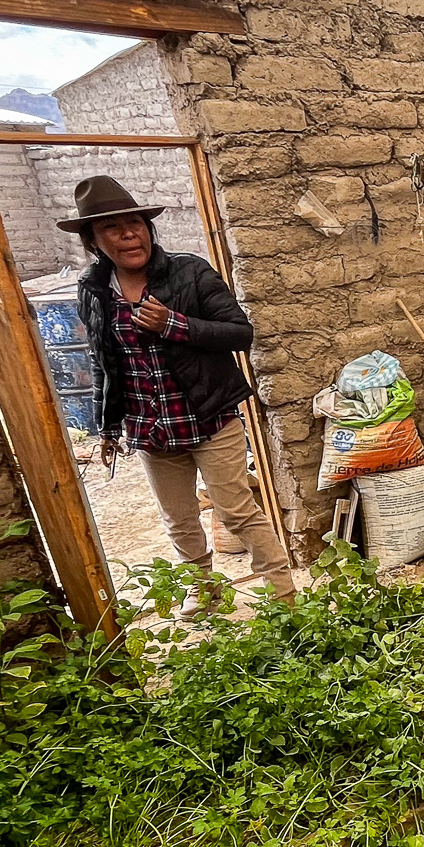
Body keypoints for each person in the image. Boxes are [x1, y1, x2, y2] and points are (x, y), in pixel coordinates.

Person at [56, 176, 295, 601]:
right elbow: (103, 361)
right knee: (179, 520)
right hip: (150, 429)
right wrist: (107, 426)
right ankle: (205, 594)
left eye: (136, 223)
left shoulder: (189, 272)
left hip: (208, 416)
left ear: (149, 229)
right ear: (94, 240)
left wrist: (174, 325)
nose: (129, 233)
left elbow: (240, 333)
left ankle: (283, 594)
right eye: (112, 227)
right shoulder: (94, 290)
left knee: (237, 512)